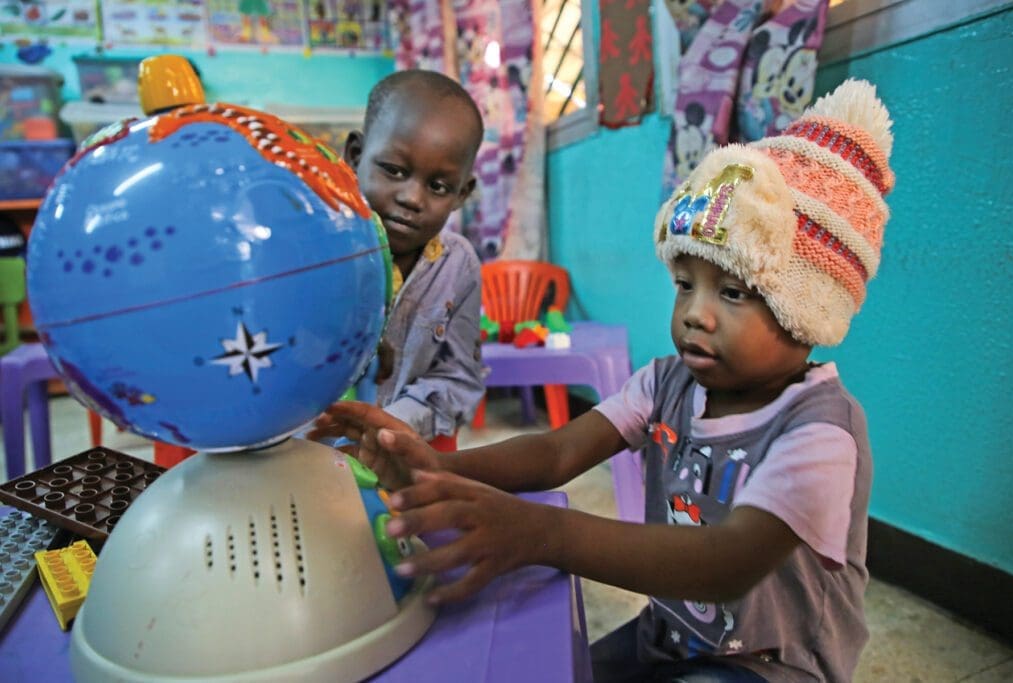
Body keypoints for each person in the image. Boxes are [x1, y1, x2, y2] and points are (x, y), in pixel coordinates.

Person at [311, 79, 895, 682]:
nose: (696, 312)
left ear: (809, 310)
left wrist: (543, 532)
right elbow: (557, 450)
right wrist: (433, 466)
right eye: (684, 284)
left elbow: (727, 561)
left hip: (770, 667)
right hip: (670, 636)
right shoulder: (666, 383)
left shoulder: (822, 431)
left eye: (732, 292)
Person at [341, 69, 487, 444]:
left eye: (438, 186)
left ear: (461, 193)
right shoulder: (317, 248)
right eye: (393, 170)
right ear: (356, 156)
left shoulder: (460, 266)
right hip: (311, 450)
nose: (412, 198)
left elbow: (459, 375)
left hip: (412, 448)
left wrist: (394, 422)